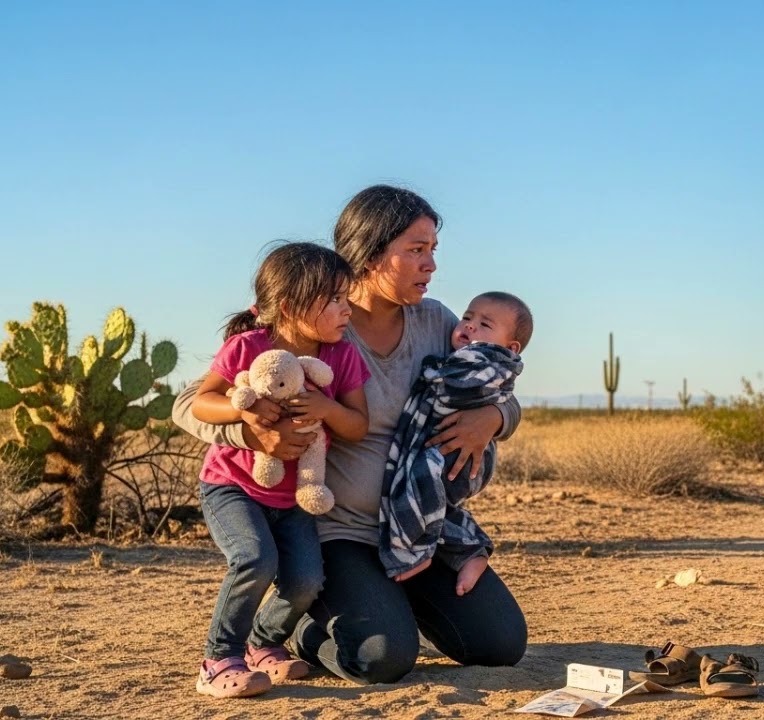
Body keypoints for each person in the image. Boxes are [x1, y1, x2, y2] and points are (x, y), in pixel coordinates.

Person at [173, 185, 527, 685]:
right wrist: (251, 438)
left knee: (500, 644)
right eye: (416, 250)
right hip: (337, 533)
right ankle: (305, 633)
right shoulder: (315, 323)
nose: (430, 265)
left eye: (433, 251)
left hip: (415, 528)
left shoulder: (439, 322)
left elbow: (497, 380)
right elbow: (189, 404)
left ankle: (383, 604)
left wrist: (494, 417)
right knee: (381, 659)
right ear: (369, 253)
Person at [190, 242, 371, 698]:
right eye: (334, 299)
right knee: (254, 559)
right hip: (232, 485)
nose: (346, 309)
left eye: (346, 297)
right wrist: (245, 415)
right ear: (290, 306)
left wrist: (327, 407)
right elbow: (203, 401)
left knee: (306, 579)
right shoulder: (247, 347)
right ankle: (218, 659)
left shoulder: (341, 357)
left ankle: (262, 646)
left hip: (294, 497)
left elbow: (357, 425)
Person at [380, 291, 533, 595]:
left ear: (510, 347)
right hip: (440, 452)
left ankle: (417, 548)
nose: (470, 326)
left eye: (484, 324)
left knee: (421, 491)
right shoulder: (337, 324)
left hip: (455, 452)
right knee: (439, 505)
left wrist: (494, 416)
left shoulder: (473, 351)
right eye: (467, 317)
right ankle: (470, 549)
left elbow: (487, 389)